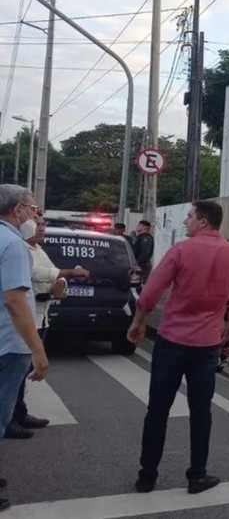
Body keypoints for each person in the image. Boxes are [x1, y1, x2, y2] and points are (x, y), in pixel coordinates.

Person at [126, 200, 229, 495]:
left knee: (157, 410)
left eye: (190, 217)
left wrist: (139, 321)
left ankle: (147, 476)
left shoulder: (181, 250)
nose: (185, 222)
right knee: (201, 412)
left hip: (171, 342)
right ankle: (197, 475)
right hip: (206, 346)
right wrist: (228, 335)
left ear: (203, 221)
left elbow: (150, 292)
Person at [7, 215, 90, 440]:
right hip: (26, 320)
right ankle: (9, 420)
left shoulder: (38, 249)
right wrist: (68, 273)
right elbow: (37, 274)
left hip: (41, 316)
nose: (42, 228)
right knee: (15, 375)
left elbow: (53, 273)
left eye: (43, 224)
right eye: (37, 223)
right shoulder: (18, 247)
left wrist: (61, 282)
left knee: (21, 375)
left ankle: (19, 413)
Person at [0, 184, 48, 511]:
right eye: (32, 208)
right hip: (9, 343)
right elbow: (16, 300)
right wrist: (38, 350)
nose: (35, 214)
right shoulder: (14, 244)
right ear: (17, 210)